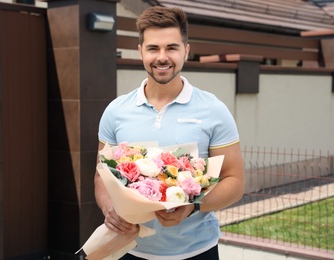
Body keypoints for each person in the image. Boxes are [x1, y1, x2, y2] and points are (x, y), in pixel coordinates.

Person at [94, 6, 245, 260]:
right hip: (132, 252)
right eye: (153, 48)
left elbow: (235, 181)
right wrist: (110, 207)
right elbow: (101, 176)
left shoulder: (213, 110)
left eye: (172, 48)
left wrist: (193, 206)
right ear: (140, 51)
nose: (162, 57)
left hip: (197, 252)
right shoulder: (116, 111)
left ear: (186, 51)